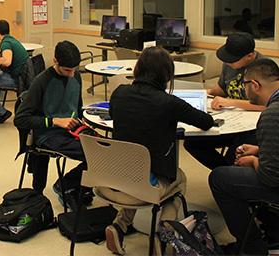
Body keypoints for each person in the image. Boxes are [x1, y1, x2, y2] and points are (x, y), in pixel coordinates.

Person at [105, 47, 214, 256]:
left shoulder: (119, 93)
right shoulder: (169, 103)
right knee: (179, 179)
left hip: (116, 178)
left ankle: (119, 226)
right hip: (147, 183)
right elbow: (205, 122)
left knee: (138, 175)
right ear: (166, 74)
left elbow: (113, 114)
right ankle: (163, 233)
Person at [209, 58, 279, 255]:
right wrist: (259, 150)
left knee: (219, 178)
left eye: (245, 85)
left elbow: (271, 177)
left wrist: (254, 160)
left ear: (255, 85)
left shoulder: (272, 114)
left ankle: (251, 247)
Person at [14, 40, 89, 208]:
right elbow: (20, 119)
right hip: (49, 133)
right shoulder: (41, 81)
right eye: (67, 70)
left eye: (74, 69)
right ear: (55, 61)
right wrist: (55, 121)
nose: (72, 74)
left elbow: (77, 107)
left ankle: (69, 185)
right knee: (94, 154)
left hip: (72, 130)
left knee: (107, 150)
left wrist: (84, 119)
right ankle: (67, 186)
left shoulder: (75, 76)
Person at [184, 32, 264, 170]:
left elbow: (265, 105)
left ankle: (226, 173)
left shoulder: (264, 68)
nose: (228, 62)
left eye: (232, 60)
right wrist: (207, 93)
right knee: (192, 143)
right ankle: (224, 171)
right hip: (230, 120)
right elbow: (221, 89)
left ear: (249, 56)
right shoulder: (230, 64)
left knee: (235, 153)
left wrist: (231, 102)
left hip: (252, 127)